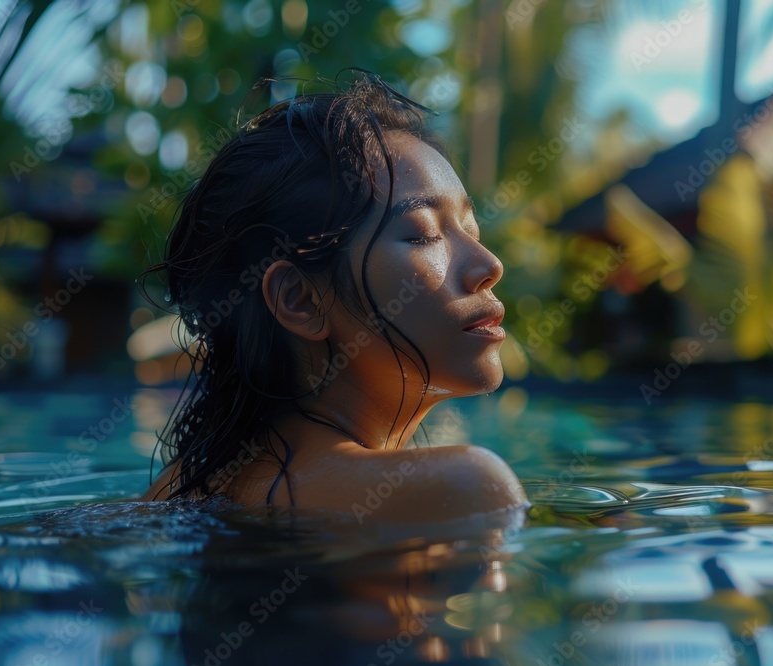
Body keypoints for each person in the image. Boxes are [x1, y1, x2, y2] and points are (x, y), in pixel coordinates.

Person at [138, 71, 527, 523]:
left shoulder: (175, 487)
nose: (489, 266)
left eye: (471, 231)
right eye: (424, 234)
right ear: (301, 300)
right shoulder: (464, 488)